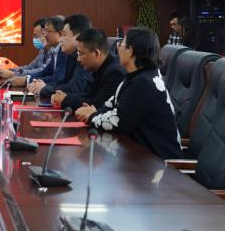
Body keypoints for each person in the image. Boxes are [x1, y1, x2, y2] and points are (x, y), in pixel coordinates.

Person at [75, 26, 181, 160]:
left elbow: (118, 121)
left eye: (121, 44)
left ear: (130, 50)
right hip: (140, 155)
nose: (117, 48)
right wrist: (95, 112)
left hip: (160, 161)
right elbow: (110, 104)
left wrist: (91, 116)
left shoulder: (144, 83)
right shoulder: (134, 77)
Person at [56, 27, 126, 112]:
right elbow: (89, 95)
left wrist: (66, 100)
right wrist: (65, 96)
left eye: (81, 54)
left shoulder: (115, 73)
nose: (78, 59)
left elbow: (99, 104)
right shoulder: (99, 68)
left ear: (96, 53)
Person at [31, 13, 91, 99]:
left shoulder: (86, 58)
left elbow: (74, 88)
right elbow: (64, 83)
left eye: (64, 35)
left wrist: (44, 88)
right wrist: (40, 84)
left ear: (78, 37)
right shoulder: (72, 55)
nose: (61, 39)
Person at [7, 15, 63, 87]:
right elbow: (34, 68)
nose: (45, 35)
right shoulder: (49, 51)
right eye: (45, 32)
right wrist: (12, 71)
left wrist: (22, 78)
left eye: (47, 32)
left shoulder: (63, 53)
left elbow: (57, 79)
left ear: (60, 34)